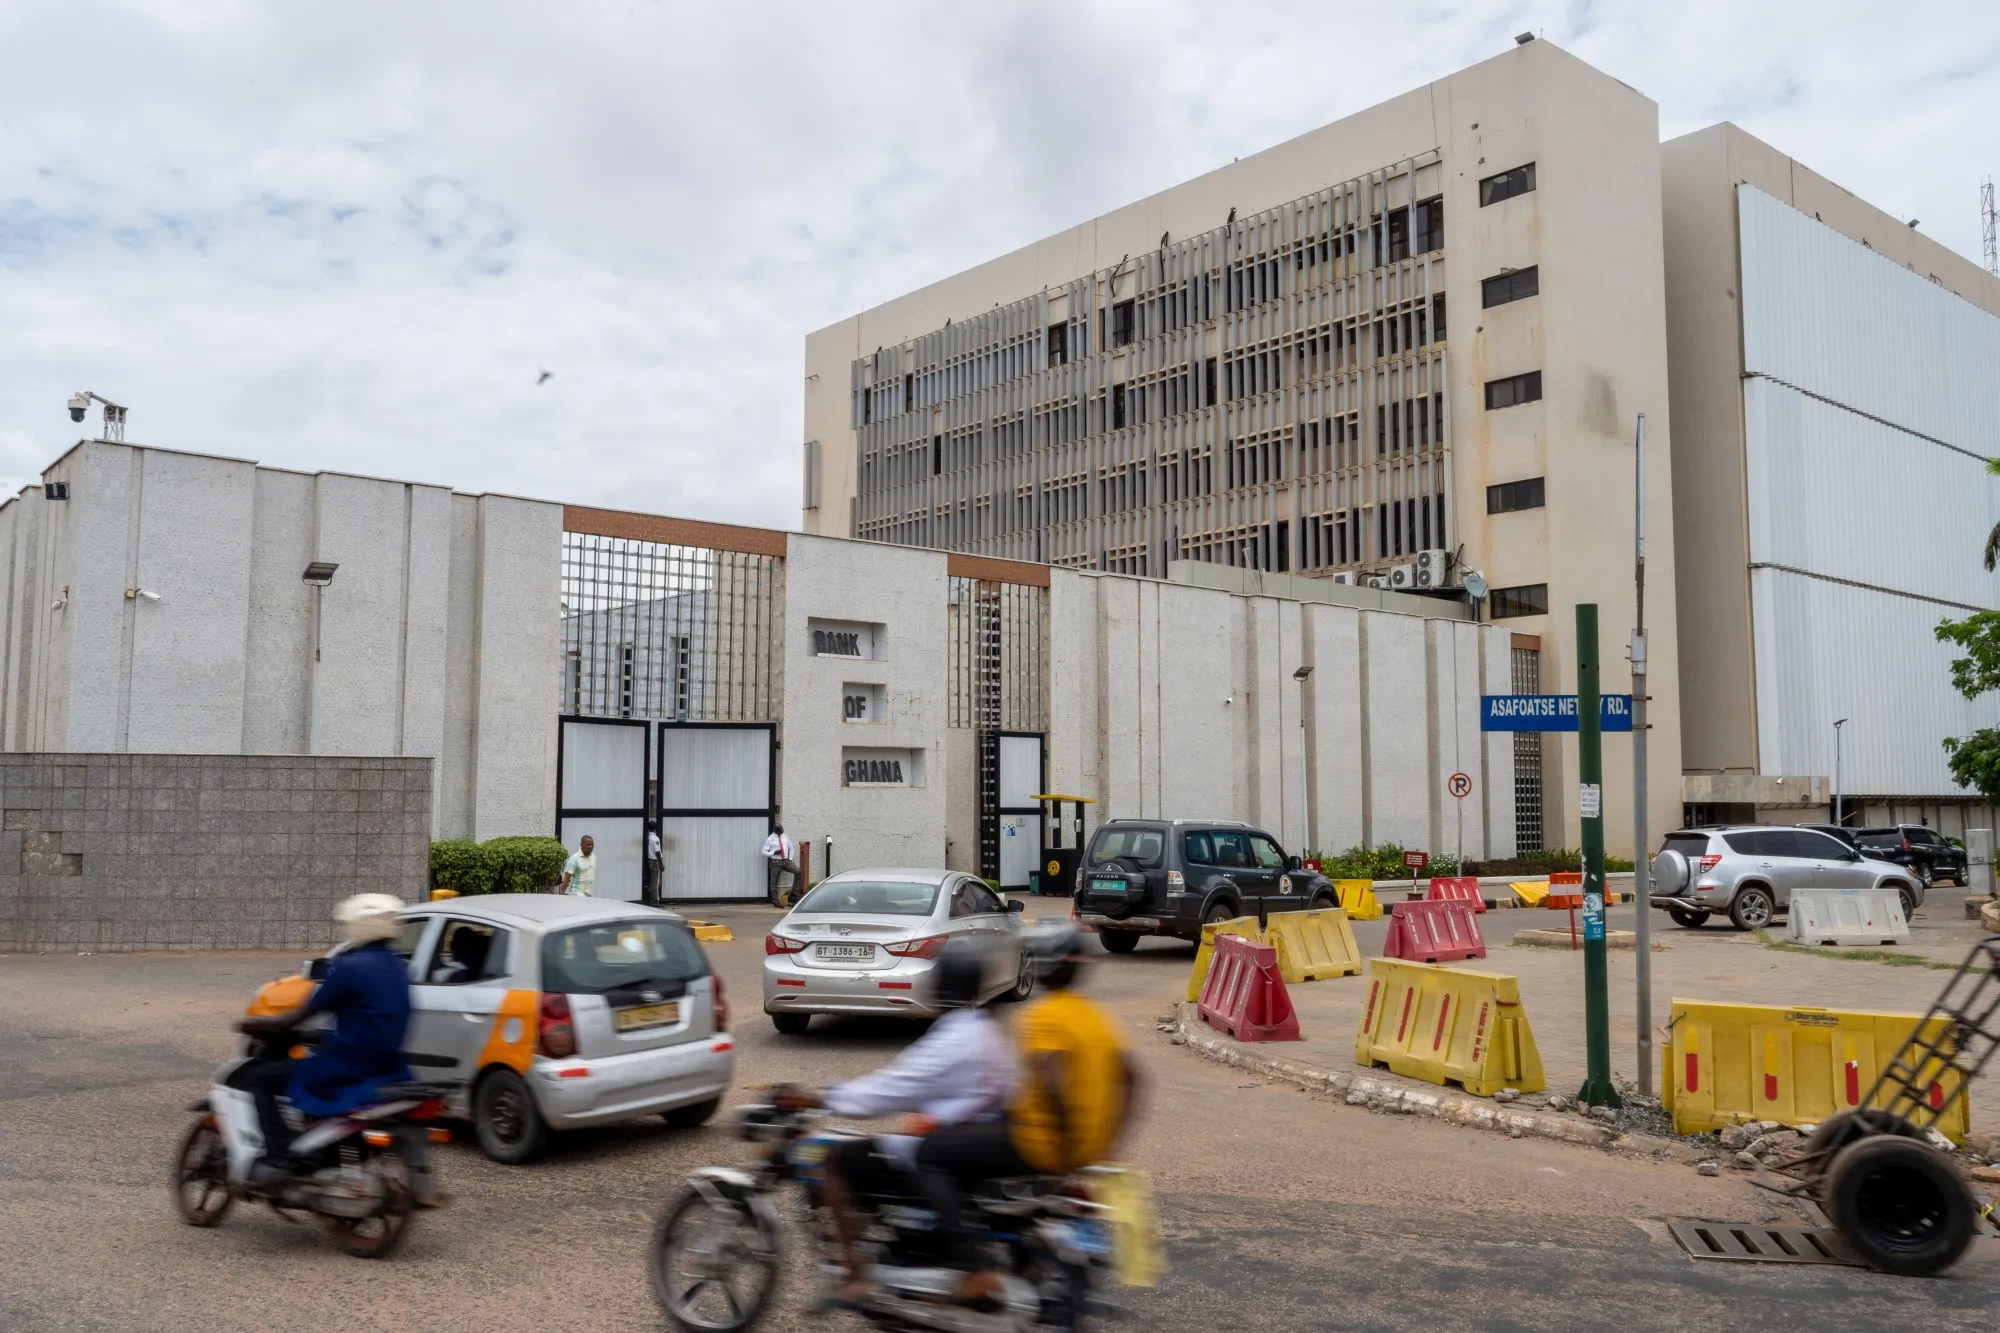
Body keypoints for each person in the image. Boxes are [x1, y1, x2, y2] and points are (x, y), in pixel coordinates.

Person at [774, 937, 1013, 1306]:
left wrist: (819, 1098)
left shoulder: (952, 1041)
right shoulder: (986, 1031)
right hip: (972, 1143)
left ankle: (854, 1275)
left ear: (938, 983)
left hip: (946, 1151)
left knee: (836, 1161)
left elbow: (885, 1092)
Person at [913, 922, 1138, 1287]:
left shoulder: (1041, 1015)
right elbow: (1133, 1079)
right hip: (1091, 1149)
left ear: (1042, 966)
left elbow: (1053, 1082)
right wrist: (1109, 1143)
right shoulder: (1098, 1018)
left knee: (932, 1152)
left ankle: (970, 1265)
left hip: (1043, 1143)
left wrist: (1064, 1148)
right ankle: (1015, 1252)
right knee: (983, 1131)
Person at [234, 893, 414, 1188]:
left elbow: (293, 1018)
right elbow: (372, 1018)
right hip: (387, 1068)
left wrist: (252, 1022)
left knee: (260, 1078)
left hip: (346, 1068)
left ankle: (278, 1157)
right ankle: (316, 1151)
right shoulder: (399, 968)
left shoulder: (349, 968)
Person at [762, 824, 798, 907]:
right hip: (776, 862)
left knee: (798, 871)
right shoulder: (770, 839)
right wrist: (773, 853)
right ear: (775, 830)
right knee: (774, 882)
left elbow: (791, 847)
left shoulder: (784, 836)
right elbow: (763, 852)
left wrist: (790, 858)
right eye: (780, 829)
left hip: (786, 861)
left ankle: (794, 890)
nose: (782, 830)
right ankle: (776, 902)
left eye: (782, 828)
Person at [644, 827, 664, 905]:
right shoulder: (655, 838)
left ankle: (651, 897)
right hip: (654, 861)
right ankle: (655, 900)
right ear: (655, 830)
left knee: (651, 880)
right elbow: (657, 852)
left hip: (648, 861)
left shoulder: (647, 838)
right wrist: (661, 864)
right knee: (655, 881)